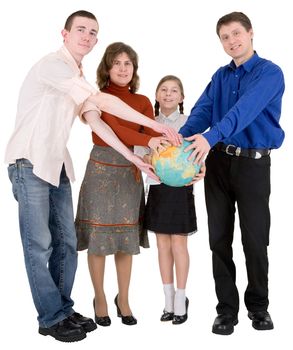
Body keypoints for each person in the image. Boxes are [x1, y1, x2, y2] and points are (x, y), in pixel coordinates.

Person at [5, 11, 180, 343]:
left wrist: (133, 158)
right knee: (38, 245)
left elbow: (97, 121)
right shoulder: (53, 66)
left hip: (55, 165)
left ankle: (63, 309)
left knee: (68, 242)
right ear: (65, 33)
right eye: (80, 30)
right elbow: (101, 102)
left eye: (92, 32)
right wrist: (158, 126)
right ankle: (51, 316)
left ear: (96, 40)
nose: (86, 35)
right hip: (28, 162)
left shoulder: (76, 74)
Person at [180, 11, 285, 335]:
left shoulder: (270, 73)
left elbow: (245, 111)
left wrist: (211, 136)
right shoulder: (221, 76)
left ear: (251, 33)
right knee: (219, 239)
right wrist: (180, 142)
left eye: (236, 34)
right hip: (218, 165)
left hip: (253, 165)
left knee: (255, 240)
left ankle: (259, 307)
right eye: (225, 37)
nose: (232, 41)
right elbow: (203, 111)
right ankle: (226, 310)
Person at [75, 42, 169, 327]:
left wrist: (169, 164)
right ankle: (100, 298)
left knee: (125, 242)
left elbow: (149, 139)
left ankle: (124, 299)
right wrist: (148, 139)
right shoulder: (96, 97)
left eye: (128, 63)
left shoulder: (141, 102)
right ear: (107, 67)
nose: (123, 68)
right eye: (117, 62)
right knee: (99, 240)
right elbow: (114, 129)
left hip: (131, 171)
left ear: (134, 69)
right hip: (101, 171)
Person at [142, 75, 203, 324]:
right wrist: (153, 159)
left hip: (181, 190)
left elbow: (199, 154)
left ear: (181, 97)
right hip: (157, 188)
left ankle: (181, 298)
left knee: (179, 245)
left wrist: (200, 167)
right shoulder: (149, 123)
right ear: (156, 95)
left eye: (174, 90)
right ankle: (167, 300)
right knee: (162, 246)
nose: (168, 94)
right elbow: (142, 155)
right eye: (163, 90)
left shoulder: (190, 123)